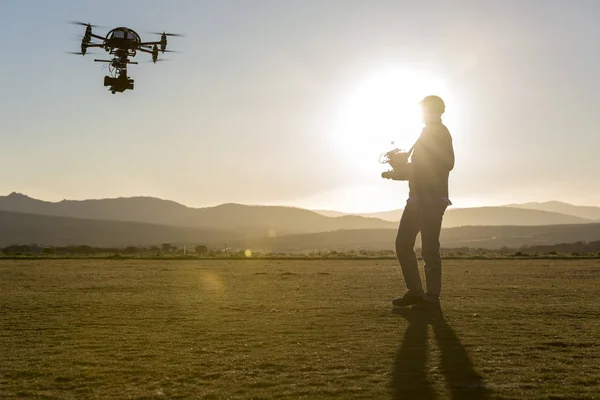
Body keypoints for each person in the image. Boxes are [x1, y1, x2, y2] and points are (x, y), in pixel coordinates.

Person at [392, 95, 454, 309]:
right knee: (403, 244)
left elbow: (446, 163)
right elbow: (421, 170)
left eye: (424, 109)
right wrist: (397, 173)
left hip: (431, 199)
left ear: (433, 111)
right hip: (417, 198)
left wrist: (407, 169)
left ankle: (431, 298)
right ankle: (417, 292)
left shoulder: (440, 133)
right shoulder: (425, 134)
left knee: (428, 248)